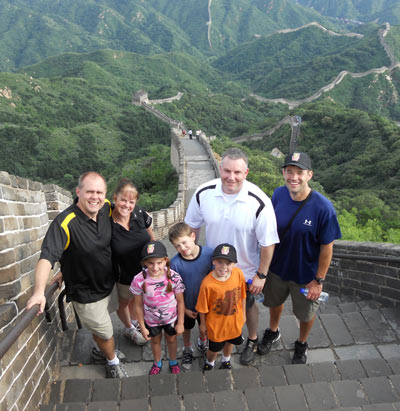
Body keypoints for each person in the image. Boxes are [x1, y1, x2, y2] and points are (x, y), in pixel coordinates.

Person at [26, 172, 127, 378]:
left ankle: (101, 351)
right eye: (89, 191)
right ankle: (111, 361)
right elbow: (47, 256)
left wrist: (67, 268)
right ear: (78, 191)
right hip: (85, 293)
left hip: (108, 284)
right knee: (106, 333)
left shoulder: (106, 207)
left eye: (99, 192)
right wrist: (39, 292)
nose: (95, 197)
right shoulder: (65, 222)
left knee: (102, 326)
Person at [185, 148, 279, 365]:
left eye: (237, 172)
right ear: (220, 169)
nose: (231, 177)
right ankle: (209, 336)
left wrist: (261, 275)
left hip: (244, 270)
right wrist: (192, 256)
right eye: (227, 171)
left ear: (246, 172)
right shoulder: (204, 193)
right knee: (211, 304)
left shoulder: (259, 202)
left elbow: (268, 244)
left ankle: (252, 339)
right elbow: (192, 228)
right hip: (213, 265)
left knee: (247, 305)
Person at [258, 152, 341, 364]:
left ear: (309, 175)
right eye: (289, 172)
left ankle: (302, 342)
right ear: (283, 173)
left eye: (299, 173)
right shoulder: (278, 195)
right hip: (277, 269)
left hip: (306, 275)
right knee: (274, 303)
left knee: (305, 314)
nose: (293, 177)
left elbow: (327, 248)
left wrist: (319, 280)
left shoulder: (323, 208)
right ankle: (273, 331)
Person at [111, 178, 154, 345]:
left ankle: (136, 321)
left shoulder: (140, 214)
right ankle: (129, 328)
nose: (126, 205)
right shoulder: (107, 223)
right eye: (123, 200)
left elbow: (151, 239)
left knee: (138, 299)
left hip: (144, 271)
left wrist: (156, 261)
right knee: (123, 302)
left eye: (131, 202)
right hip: (124, 275)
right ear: (115, 198)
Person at [131, 241, 185, 375]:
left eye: (159, 263)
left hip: (171, 319)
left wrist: (181, 322)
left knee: (171, 340)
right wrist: (142, 326)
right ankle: (157, 363)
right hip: (151, 320)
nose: (155, 267)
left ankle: (173, 362)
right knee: (155, 342)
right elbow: (137, 305)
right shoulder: (138, 280)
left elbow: (180, 301)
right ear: (145, 263)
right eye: (150, 263)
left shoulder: (174, 277)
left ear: (165, 261)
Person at [168, 222, 214, 371]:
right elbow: (173, 290)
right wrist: (185, 309)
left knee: (204, 328)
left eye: (184, 242)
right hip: (187, 305)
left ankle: (202, 341)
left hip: (207, 305)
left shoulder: (209, 254)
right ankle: (187, 348)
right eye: (177, 246)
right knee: (187, 327)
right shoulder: (175, 264)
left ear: (193, 236)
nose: (182, 248)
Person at [196, 243, 246, 371]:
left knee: (230, 343)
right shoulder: (207, 284)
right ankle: (210, 362)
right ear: (214, 262)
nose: (224, 267)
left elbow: (242, 296)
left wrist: (244, 314)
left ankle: (226, 359)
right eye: (220, 262)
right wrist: (202, 324)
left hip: (234, 323)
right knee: (214, 349)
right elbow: (202, 307)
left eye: (228, 263)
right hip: (216, 326)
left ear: (234, 264)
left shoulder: (238, 274)